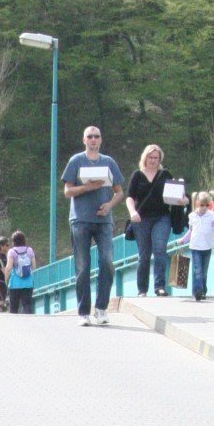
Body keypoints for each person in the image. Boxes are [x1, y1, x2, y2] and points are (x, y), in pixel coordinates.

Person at [62, 126, 124, 326]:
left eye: (97, 136)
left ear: (101, 140)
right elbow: (67, 192)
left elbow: (119, 192)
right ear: (84, 139)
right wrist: (87, 187)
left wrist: (109, 205)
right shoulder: (76, 161)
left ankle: (101, 308)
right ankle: (83, 312)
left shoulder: (109, 162)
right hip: (80, 219)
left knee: (107, 261)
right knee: (82, 266)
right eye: (90, 136)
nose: (93, 139)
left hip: (104, 220)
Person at [126, 144, 176, 297]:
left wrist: (182, 200)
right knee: (144, 254)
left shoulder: (165, 174)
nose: (153, 160)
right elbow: (130, 197)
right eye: (151, 157)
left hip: (162, 217)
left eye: (156, 158)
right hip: (141, 219)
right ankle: (142, 290)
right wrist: (132, 211)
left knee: (160, 250)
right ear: (145, 157)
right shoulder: (137, 175)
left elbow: (176, 194)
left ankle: (159, 286)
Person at [188, 191, 213, 302]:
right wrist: (183, 240)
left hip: (207, 247)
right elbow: (190, 231)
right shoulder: (192, 216)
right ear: (197, 203)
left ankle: (203, 291)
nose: (204, 208)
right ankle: (197, 291)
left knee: (204, 271)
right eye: (202, 205)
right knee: (197, 270)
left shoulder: (211, 216)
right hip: (195, 247)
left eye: (206, 205)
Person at [4, 230, 37, 313]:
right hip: (28, 283)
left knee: (13, 307)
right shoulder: (29, 250)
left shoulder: (12, 252)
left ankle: (14, 325)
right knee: (27, 305)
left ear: (13, 241)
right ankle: (29, 323)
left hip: (15, 283)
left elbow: (8, 267)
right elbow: (34, 266)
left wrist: (5, 279)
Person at [0, 237, 10, 309]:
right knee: (0, 304)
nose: (8, 247)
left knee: (3, 305)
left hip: (3, 283)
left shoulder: (5, 257)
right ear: (1, 246)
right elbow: (4, 271)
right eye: (6, 245)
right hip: (0, 283)